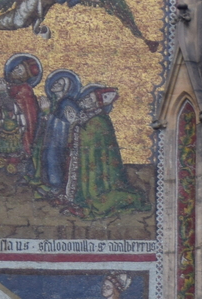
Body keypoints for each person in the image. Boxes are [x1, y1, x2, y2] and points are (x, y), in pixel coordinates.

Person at [62, 85, 148, 219]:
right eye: (85, 97)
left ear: (97, 103)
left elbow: (89, 138)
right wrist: (75, 124)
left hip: (98, 165)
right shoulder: (86, 116)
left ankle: (92, 204)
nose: (85, 100)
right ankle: (80, 200)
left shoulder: (100, 120)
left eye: (90, 99)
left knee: (98, 192)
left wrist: (75, 124)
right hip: (87, 160)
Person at [0, 54, 41, 174]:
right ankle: (2, 160)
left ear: (26, 75)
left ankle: (17, 163)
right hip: (5, 127)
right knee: (3, 149)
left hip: (19, 130)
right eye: (15, 68)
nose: (15, 71)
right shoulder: (11, 87)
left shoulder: (24, 90)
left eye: (20, 70)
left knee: (15, 150)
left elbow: (11, 107)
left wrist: (2, 91)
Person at [31, 70, 82, 193]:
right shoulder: (53, 101)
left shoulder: (67, 103)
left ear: (66, 88)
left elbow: (66, 122)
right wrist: (44, 113)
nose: (55, 84)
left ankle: (56, 186)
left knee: (54, 158)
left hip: (61, 139)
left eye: (59, 84)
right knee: (46, 157)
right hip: (50, 138)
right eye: (55, 82)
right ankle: (47, 182)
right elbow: (45, 118)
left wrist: (47, 112)